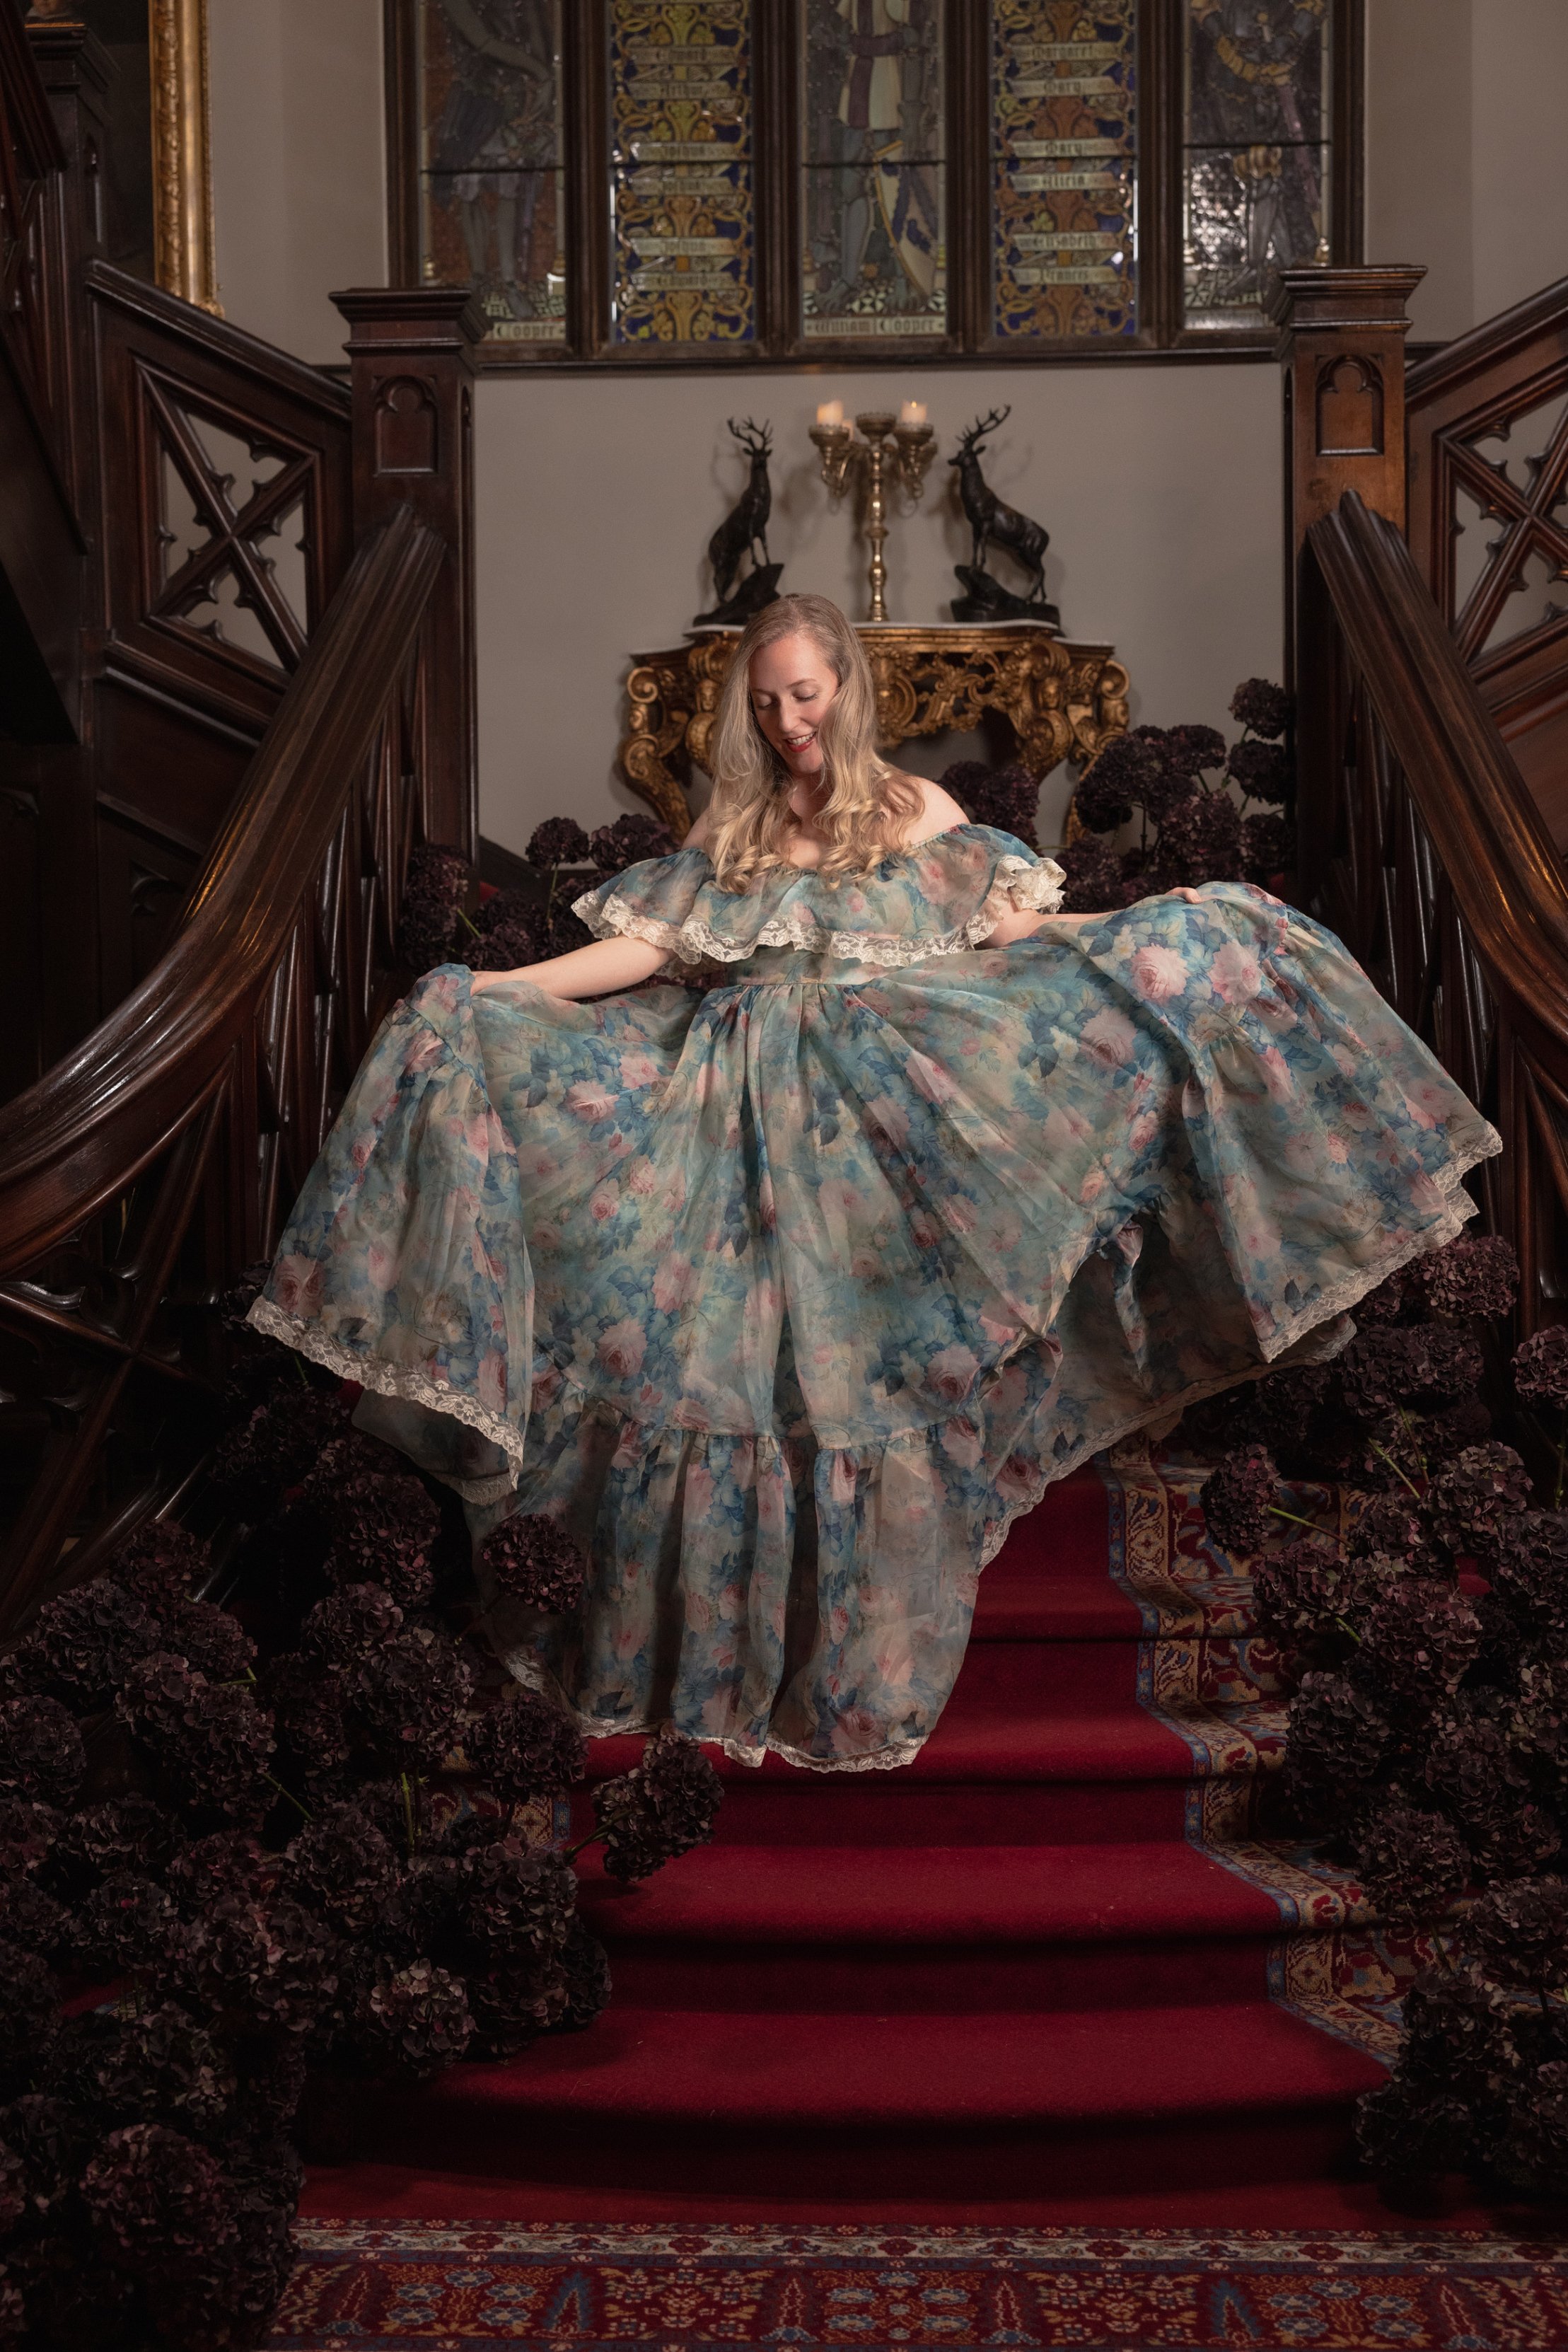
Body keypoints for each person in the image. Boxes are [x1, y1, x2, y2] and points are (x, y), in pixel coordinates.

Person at [250, 592, 1499, 1771]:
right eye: (765, 703)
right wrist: (490, 992)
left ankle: (855, 1630)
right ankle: (698, 1637)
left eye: (803, 695)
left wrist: (1148, 922)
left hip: (883, 1106)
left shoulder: (916, 809)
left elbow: (1010, 935)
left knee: (861, 1354)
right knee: (713, 1348)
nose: (787, 722)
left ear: (846, 686)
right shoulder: (733, 823)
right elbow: (640, 950)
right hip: (723, 1105)